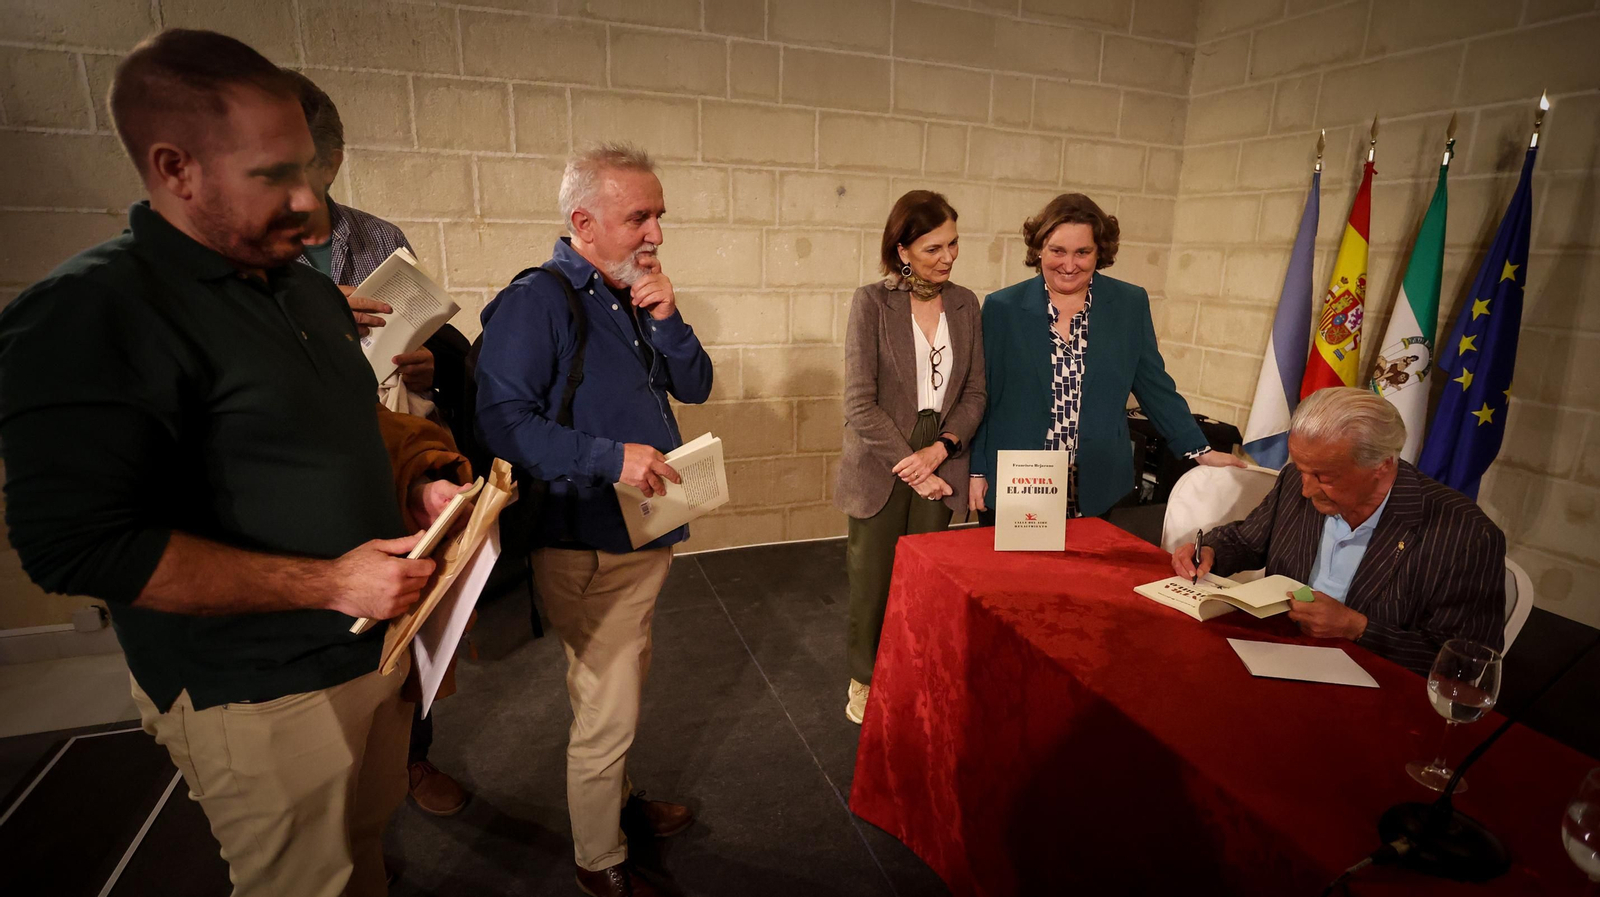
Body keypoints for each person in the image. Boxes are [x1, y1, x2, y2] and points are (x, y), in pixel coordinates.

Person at [0, 30, 469, 897]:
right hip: (259, 693)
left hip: (372, 652)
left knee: (362, 852)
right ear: (176, 168)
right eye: (275, 177)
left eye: (313, 175)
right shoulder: (90, 312)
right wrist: (328, 582)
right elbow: (79, 547)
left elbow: (344, 427)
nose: (315, 209)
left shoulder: (301, 289)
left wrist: (416, 477)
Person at [474, 143, 713, 897]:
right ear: (584, 220)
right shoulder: (536, 301)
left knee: (619, 686)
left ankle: (619, 802)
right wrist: (612, 458)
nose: (656, 234)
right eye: (639, 216)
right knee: (607, 704)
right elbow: (502, 423)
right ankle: (599, 857)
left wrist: (671, 318)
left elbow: (697, 383)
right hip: (586, 538)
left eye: (659, 216)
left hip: (641, 535)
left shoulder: (632, 292)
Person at [286, 67, 469, 819]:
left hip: (391, 441)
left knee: (412, 608)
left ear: (331, 163)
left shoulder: (378, 237)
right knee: (331, 629)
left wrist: (432, 359)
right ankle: (341, 788)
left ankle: (412, 757)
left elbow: (417, 335)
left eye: (309, 174)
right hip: (307, 467)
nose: (297, 197)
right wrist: (307, 313)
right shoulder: (246, 263)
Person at [1172, 387, 1506, 674]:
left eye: (1325, 477)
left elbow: (1468, 662)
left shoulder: (1465, 535)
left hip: (1375, 691)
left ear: (1383, 465)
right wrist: (1211, 551)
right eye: (1302, 469)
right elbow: (1247, 540)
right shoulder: (1296, 480)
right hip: (1271, 657)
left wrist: (1357, 628)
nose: (1305, 489)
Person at [970, 193, 1244, 521]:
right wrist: (977, 471)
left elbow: (1154, 385)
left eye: (1082, 252)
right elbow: (981, 396)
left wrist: (1200, 450)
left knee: (1083, 571)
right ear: (1039, 247)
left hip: (1095, 479)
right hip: (1019, 478)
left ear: (1099, 252)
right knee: (1020, 572)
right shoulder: (1002, 308)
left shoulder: (1128, 304)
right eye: (1057, 251)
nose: (1069, 265)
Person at [836, 191, 986, 725]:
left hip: (942, 447)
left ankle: (912, 667)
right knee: (873, 578)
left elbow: (975, 394)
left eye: (953, 244)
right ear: (902, 250)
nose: (947, 257)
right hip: (883, 453)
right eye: (932, 248)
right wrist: (912, 465)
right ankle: (865, 678)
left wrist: (941, 449)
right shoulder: (871, 302)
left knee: (924, 580)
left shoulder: (967, 303)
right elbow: (858, 403)